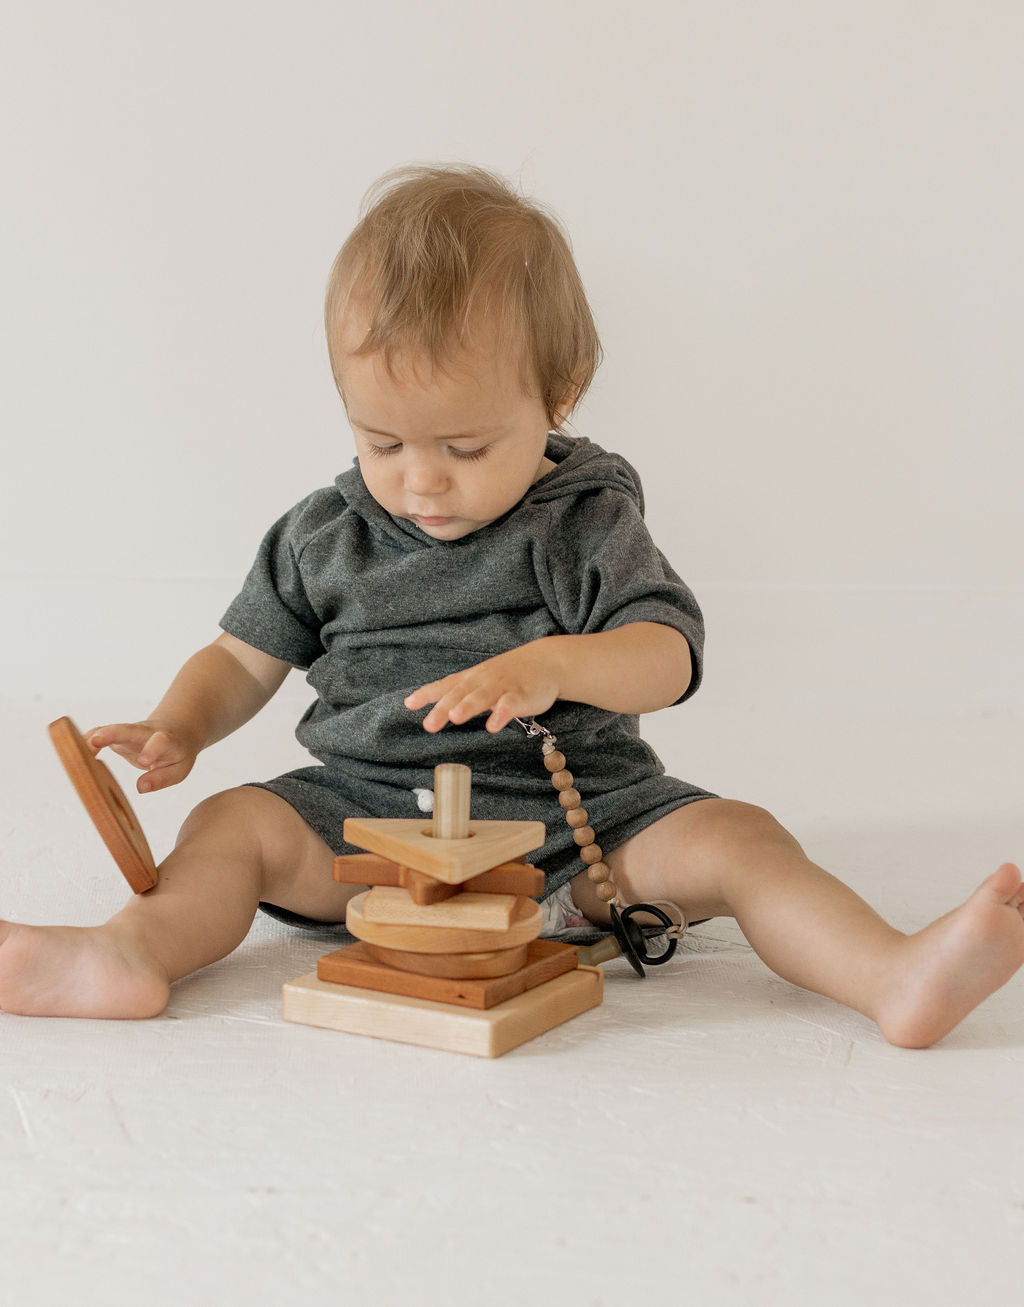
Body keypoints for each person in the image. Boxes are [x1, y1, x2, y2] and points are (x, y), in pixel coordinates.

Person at [2, 164, 1021, 1047]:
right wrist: (180, 724)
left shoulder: (580, 518)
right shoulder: (324, 531)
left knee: (743, 838)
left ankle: (888, 973)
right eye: (383, 441)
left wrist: (556, 665)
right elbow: (239, 659)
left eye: (465, 446)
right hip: (364, 835)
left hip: (579, 838)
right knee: (231, 824)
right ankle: (125, 956)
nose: (421, 481)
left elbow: (664, 653)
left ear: (559, 392)